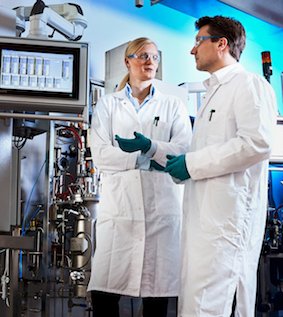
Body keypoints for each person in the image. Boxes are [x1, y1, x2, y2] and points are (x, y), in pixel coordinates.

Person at [164, 16, 277, 316]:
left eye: (199, 40)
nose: (192, 50)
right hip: (206, 226)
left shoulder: (249, 84)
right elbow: (206, 156)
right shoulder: (213, 93)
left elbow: (257, 143)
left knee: (214, 307)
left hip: (227, 228)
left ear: (221, 44)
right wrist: (174, 160)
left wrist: (192, 164)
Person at [87, 37, 192, 316]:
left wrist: (151, 146)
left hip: (162, 213)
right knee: (105, 294)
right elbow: (101, 155)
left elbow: (183, 150)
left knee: (156, 298)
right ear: (128, 61)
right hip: (119, 213)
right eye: (143, 56)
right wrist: (145, 159)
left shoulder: (173, 106)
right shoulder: (107, 105)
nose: (150, 62)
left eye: (155, 57)